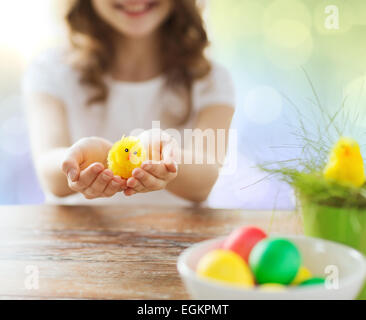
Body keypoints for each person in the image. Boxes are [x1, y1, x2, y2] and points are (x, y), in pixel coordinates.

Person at [23, 0, 235, 206]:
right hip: (77, 236)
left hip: (178, 238)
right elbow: (49, 172)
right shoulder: (50, 71)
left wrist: (164, 158)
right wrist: (89, 159)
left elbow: (205, 179)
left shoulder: (210, 79)